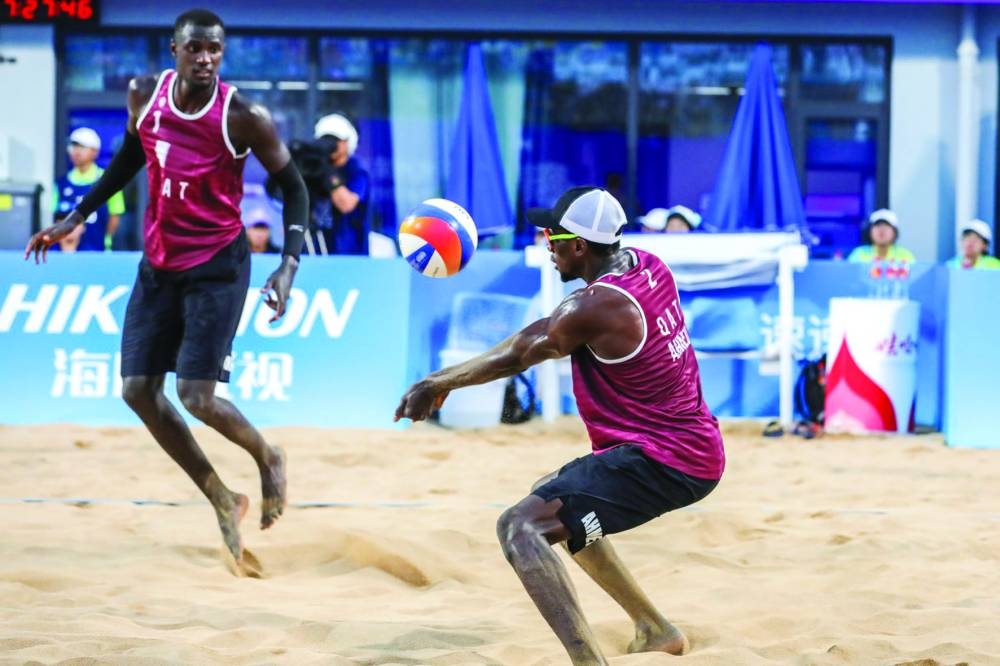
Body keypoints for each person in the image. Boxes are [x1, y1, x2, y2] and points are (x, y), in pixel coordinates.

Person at [25, 8, 310, 564]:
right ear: (174, 49)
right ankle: (222, 497)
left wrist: (288, 265)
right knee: (136, 391)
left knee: (196, 396)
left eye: (215, 50)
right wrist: (76, 216)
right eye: (196, 48)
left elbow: (294, 188)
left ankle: (268, 455)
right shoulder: (143, 95)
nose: (206, 58)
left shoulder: (243, 115)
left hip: (218, 266)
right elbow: (131, 156)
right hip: (159, 265)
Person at [396, 186, 725, 665]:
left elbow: (522, 352)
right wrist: (442, 378)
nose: (545, 242)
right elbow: (542, 331)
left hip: (665, 460)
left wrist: (437, 383)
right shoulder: (646, 265)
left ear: (579, 246)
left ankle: (588, 661)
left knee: (520, 528)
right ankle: (656, 630)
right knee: (550, 496)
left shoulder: (597, 307)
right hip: (688, 445)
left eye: (553, 235)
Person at [54, 127, 126, 253]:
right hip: (67, 252)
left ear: (95, 151)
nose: (76, 151)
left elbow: (115, 216)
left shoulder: (109, 181)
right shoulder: (61, 183)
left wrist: (104, 237)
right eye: (73, 147)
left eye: (82, 147)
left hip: (98, 250)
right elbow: (56, 217)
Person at [312, 113, 370, 255]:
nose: (328, 145)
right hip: (316, 251)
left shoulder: (356, 169)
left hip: (348, 255)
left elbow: (346, 205)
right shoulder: (314, 167)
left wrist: (328, 172)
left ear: (346, 142)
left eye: (334, 140)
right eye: (324, 140)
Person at [847, 208, 915, 263]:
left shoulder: (905, 256)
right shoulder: (859, 255)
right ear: (870, 231)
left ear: (894, 232)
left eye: (886, 225)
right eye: (877, 225)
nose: (881, 230)